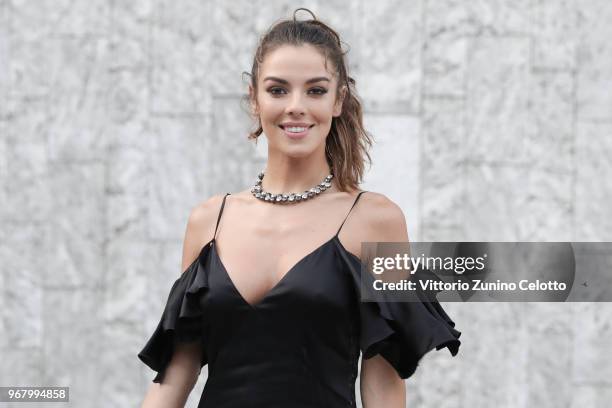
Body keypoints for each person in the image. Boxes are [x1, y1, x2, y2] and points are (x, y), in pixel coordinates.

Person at [138, 8, 461, 408]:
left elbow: (383, 383)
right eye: (277, 90)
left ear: (338, 100)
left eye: (315, 90)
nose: (295, 106)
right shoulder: (209, 220)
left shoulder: (375, 220)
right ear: (254, 100)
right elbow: (176, 374)